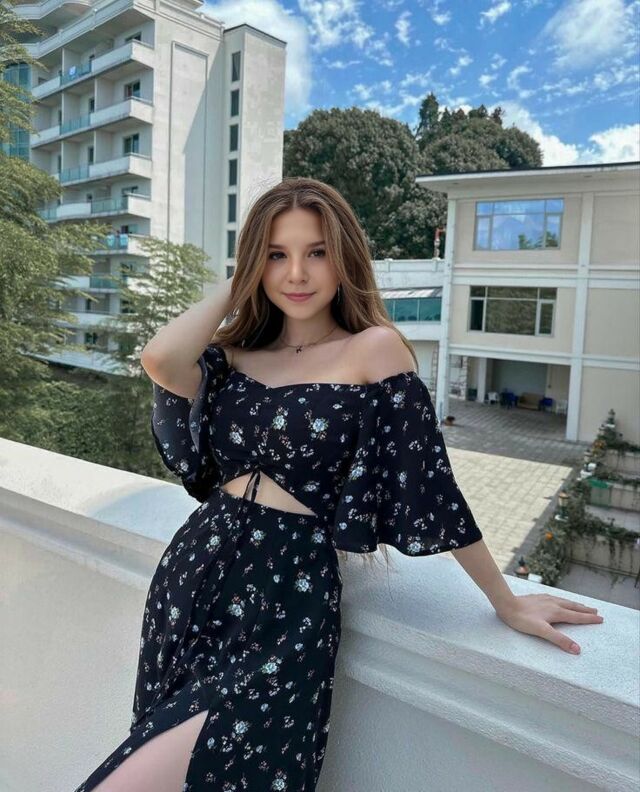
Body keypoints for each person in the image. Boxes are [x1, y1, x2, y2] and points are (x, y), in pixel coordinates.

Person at [73, 177, 603, 792]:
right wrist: (240, 281)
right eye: (277, 254)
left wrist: (505, 600)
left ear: (343, 257)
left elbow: (432, 488)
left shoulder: (373, 350)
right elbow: (160, 359)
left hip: (285, 594)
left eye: (317, 252)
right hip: (191, 576)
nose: (297, 272)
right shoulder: (233, 357)